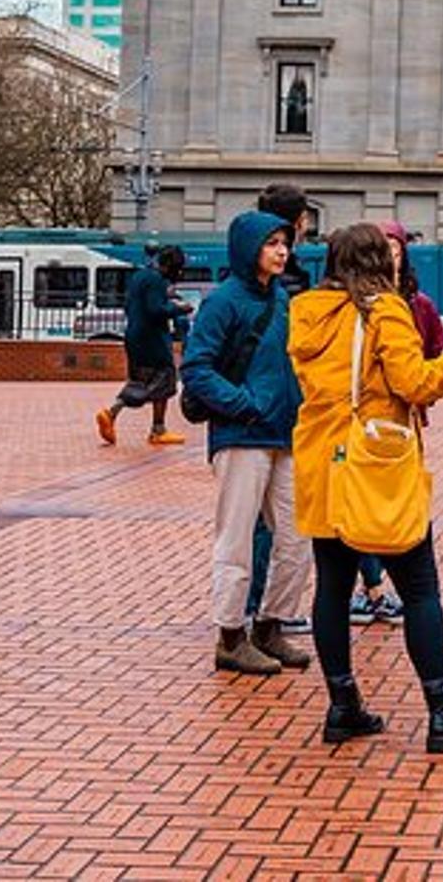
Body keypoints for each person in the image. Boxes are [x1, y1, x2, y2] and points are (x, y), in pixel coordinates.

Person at [287, 222, 443, 751]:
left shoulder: (306, 312)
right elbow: (413, 381)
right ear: (381, 261)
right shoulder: (385, 309)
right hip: (374, 464)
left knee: (331, 587)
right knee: (420, 588)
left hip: (321, 461)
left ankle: (343, 705)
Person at [182, 211, 312, 679]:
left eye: (285, 243)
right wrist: (244, 404)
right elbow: (196, 369)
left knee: (298, 538)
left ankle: (270, 625)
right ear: (248, 248)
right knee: (236, 539)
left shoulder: (281, 299)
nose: (283, 251)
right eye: (272, 243)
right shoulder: (224, 302)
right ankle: (230, 636)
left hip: (283, 433)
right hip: (242, 435)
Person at [349, 221, 443, 628]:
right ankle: (373, 590)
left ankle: (374, 589)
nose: (390, 255)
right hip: (373, 428)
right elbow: (420, 373)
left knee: (376, 510)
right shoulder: (372, 307)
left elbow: (432, 348)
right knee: (379, 513)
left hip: (400, 423)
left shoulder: (417, 304)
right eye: (382, 248)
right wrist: (440, 372)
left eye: (395, 248)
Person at [244, 182, 317, 634]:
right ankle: (262, 610)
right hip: (269, 415)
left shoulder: (276, 278)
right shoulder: (286, 285)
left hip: (270, 413)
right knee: (270, 524)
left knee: (269, 523)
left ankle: (261, 610)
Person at [96, 246, 193, 448]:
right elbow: (155, 310)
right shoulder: (157, 279)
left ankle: (112, 415)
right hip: (153, 339)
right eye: (178, 269)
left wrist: (166, 299)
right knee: (164, 379)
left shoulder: (140, 276)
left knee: (139, 380)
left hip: (134, 337)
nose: (179, 274)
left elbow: (135, 305)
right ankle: (157, 430)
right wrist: (178, 308)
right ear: (169, 266)